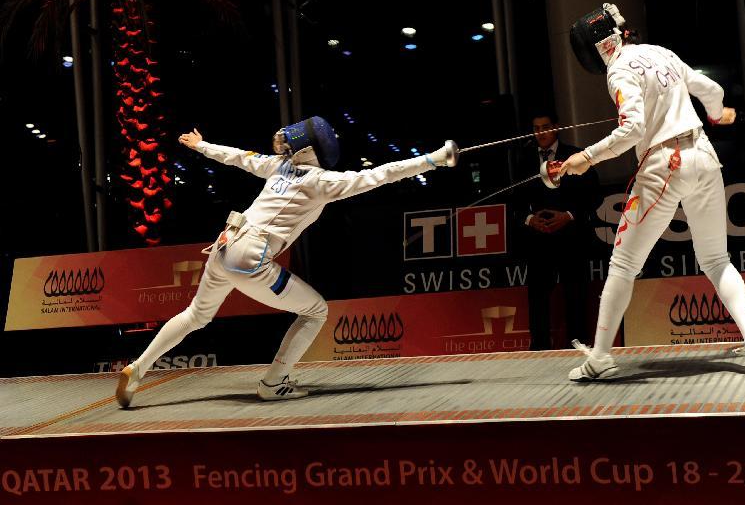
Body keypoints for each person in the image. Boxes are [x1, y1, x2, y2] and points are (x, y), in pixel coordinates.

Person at [116, 118, 457, 406]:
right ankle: (274, 382)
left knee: (196, 315)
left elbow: (238, 157)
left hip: (224, 245)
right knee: (316, 310)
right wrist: (434, 160)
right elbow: (382, 175)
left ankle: (138, 368)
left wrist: (202, 146)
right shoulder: (321, 182)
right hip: (250, 257)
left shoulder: (278, 166)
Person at [561, 3, 745, 380]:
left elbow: (632, 130)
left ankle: (601, 359)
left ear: (597, 48)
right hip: (704, 157)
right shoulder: (661, 53)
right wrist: (714, 112)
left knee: (624, 265)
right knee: (716, 260)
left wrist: (587, 157)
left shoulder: (619, 70)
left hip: (663, 165)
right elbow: (711, 89)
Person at [512, 111, 598, 350]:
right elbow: (515, 201)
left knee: (575, 293)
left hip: (571, 238)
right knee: (537, 296)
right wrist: (530, 219)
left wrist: (569, 215)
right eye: (536, 128)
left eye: (545, 127)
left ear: (556, 127)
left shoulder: (575, 155)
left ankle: (580, 345)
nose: (541, 132)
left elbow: (594, 194)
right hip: (539, 239)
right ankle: (538, 348)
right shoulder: (524, 160)